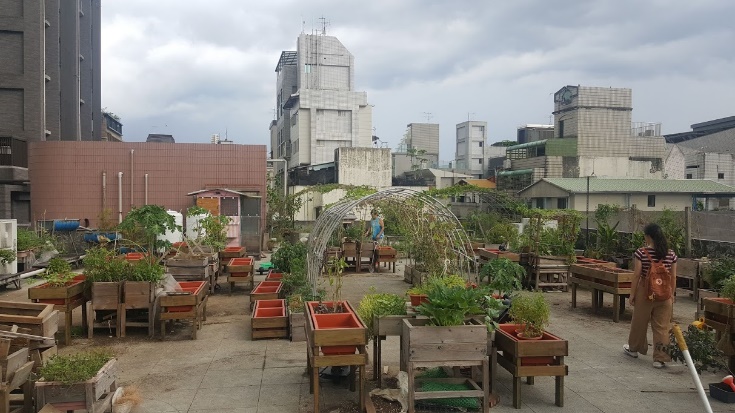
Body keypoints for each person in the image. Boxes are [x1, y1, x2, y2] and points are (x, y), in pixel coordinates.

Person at [623, 223, 677, 368]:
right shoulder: (671, 254)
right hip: (665, 294)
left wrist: (632, 295)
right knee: (662, 327)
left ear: (648, 236)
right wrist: (671, 295)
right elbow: (673, 276)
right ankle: (660, 358)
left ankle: (634, 349)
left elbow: (636, 275)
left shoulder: (641, 252)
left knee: (639, 322)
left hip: (646, 293)